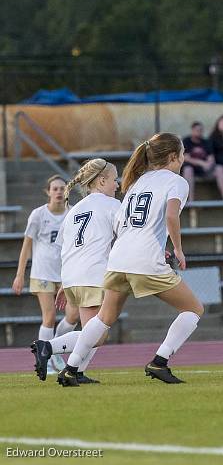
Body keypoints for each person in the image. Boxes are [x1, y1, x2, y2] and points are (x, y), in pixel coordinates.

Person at [57, 133, 204, 386]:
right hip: (145, 259)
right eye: (182, 153)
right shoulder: (177, 181)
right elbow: (171, 216)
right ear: (172, 157)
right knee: (194, 309)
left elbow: (122, 223)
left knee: (103, 319)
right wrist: (177, 249)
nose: (184, 157)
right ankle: (159, 362)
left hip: (118, 259)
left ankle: (70, 369)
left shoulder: (138, 181)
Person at [30, 159, 121, 384]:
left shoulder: (74, 210)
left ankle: (77, 371)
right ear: (101, 181)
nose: (117, 185)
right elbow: (128, 236)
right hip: (93, 275)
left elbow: (65, 249)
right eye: (114, 179)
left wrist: (63, 282)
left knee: (94, 331)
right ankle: (47, 346)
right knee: (97, 334)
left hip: (73, 276)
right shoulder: (111, 205)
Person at [13, 175, 73, 375]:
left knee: (73, 315)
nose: (58, 192)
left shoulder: (73, 213)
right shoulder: (38, 215)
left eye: (62, 188)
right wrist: (20, 274)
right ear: (48, 192)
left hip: (66, 274)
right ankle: (45, 360)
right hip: (43, 272)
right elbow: (26, 246)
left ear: (67, 191)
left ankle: (54, 349)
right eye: (54, 188)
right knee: (49, 316)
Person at [181, 121, 223, 201]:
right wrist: (201, 163)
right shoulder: (186, 141)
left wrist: (208, 164)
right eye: (197, 130)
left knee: (220, 168)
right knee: (188, 170)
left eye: (201, 130)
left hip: (205, 169)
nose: (199, 132)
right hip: (192, 169)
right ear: (192, 130)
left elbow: (211, 158)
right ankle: (191, 201)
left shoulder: (206, 142)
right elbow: (186, 158)